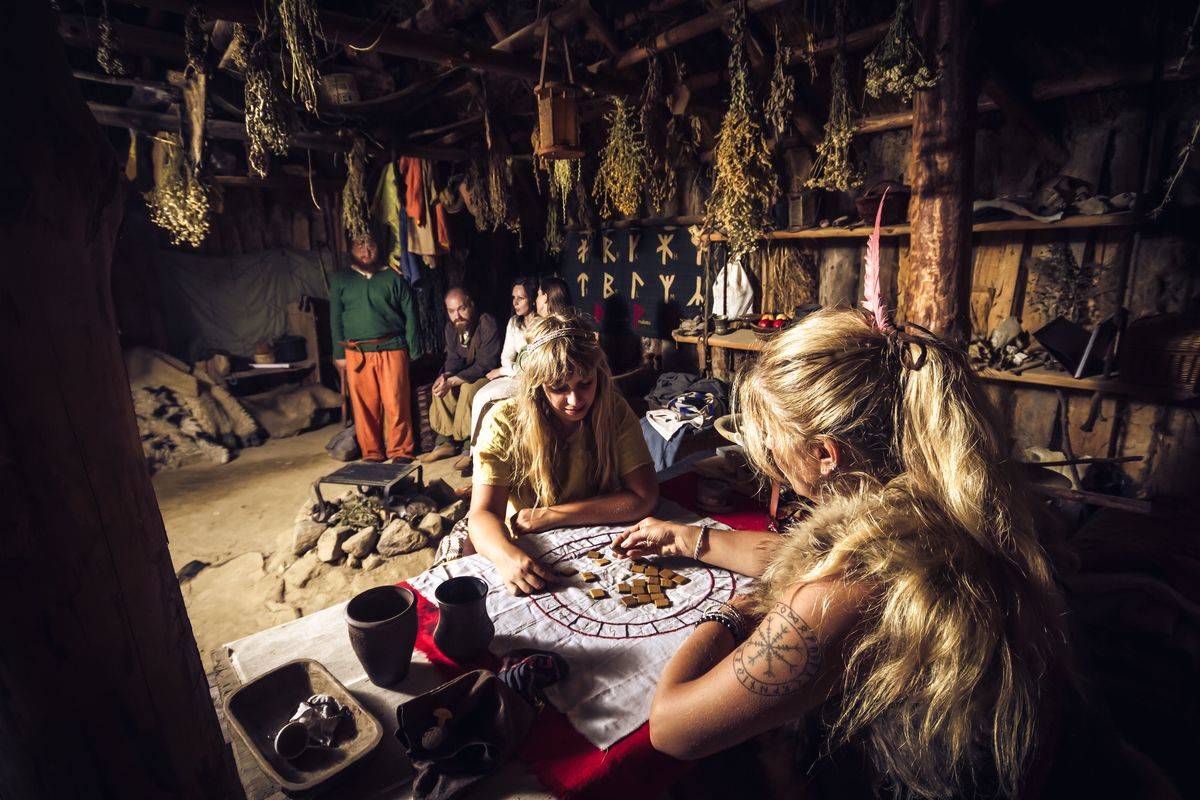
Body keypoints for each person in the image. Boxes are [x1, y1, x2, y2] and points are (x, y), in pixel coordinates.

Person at [614, 308, 1080, 799]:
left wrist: (736, 612)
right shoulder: (937, 506)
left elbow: (673, 729)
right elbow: (803, 557)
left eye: (772, 434)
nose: (767, 448)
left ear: (824, 454)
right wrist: (689, 539)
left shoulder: (844, 591)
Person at [463, 312, 658, 596]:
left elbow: (644, 496)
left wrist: (552, 515)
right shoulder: (504, 423)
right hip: (525, 539)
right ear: (537, 385)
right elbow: (482, 514)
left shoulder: (613, 410)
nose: (575, 400)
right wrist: (506, 556)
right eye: (558, 388)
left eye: (585, 383)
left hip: (589, 535)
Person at [330, 227, 420, 463]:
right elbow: (335, 318)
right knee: (364, 406)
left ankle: (401, 450)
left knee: (396, 402)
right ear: (350, 248)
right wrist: (339, 353)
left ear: (379, 246)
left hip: (392, 347)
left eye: (370, 244)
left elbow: (411, 313)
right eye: (359, 245)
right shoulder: (341, 280)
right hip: (356, 352)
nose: (365, 250)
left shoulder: (394, 277)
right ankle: (372, 452)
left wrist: (413, 348)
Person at [460, 277, 540, 476]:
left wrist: (504, 371)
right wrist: (508, 370)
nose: (515, 303)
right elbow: (506, 356)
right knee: (480, 395)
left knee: (492, 399)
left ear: (532, 299)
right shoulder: (514, 323)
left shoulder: (541, 324)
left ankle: (490, 455)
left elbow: (534, 366)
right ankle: (474, 454)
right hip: (513, 373)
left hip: (530, 377)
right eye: (513, 298)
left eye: (521, 298)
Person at [419, 288, 502, 463]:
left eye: (461, 309)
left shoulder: (486, 323)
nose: (457, 315)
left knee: (468, 389)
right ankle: (445, 442)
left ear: (471, 305)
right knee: (440, 386)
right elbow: (453, 359)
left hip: (487, 374)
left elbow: (486, 363)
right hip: (464, 374)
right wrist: (446, 375)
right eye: (451, 311)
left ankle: (468, 445)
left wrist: (454, 380)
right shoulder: (451, 328)